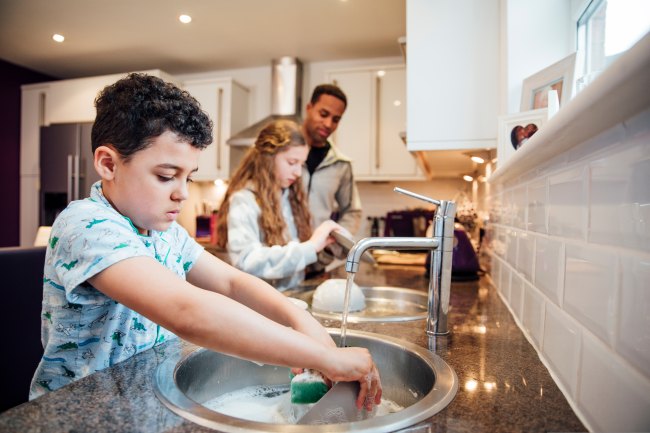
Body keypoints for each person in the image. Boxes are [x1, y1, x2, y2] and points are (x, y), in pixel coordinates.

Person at [29, 73, 382, 411]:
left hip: (143, 401)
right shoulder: (87, 225)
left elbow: (231, 281)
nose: (182, 194)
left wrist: (301, 322)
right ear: (108, 164)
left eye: (189, 177)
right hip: (82, 413)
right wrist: (325, 358)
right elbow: (187, 312)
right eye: (166, 176)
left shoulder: (165, 233)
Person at [216, 119, 347, 291]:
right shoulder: (244, 200)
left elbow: (292, 261)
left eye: (301, 164)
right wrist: (310, 247)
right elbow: (246, 261)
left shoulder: (290, 196)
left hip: (291, 297)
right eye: (292, 163)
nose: (298, 173)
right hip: (259, 304)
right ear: (268, 158)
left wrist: (325, 249)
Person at [301, 84, 362, 236]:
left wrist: (332, 247)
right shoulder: (282, 153)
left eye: (336, 119)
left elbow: (352, 212)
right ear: (309, 108)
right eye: (323, 114)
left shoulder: (341, 164)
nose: (328, 124)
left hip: (317, 256)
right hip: (279, 253)